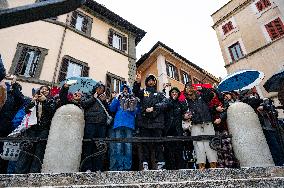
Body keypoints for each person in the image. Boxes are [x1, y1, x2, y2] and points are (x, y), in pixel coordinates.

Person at [15, 85, 56, 173]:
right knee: (26, 150)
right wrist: (33, 101)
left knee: (39, 151)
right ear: (39, 91)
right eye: (42, 89)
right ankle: (20, 172)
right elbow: (26, 110)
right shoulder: (34, 100)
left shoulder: (50, 101)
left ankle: (34, 173)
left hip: (44, 129)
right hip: (31, 128)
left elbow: (52, 111)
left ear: (49, 93)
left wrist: (45, 101)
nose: (44, 91)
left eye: (46, 90)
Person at [132, 72, 168, 170]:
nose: (151, 82)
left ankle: (160, 163)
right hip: (144, 122)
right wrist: (137, 82)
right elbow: (135, 92)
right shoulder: (143, 92)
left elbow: (165, 103)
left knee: (158, 144)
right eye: (149, 80)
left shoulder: (160, 93)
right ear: (146, 82)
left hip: (157, 123)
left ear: (155, 82)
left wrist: (154, 108)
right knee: (145, 144)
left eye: (152, 80)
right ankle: (145, 163)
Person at [183, 82, 218, 170]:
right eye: (187, 88)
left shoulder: (202, 96)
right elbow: (182, 113)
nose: (189, 89)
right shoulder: (185, 101)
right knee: (198, 145)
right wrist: (185, 116)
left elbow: (211, 95)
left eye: (190, 87)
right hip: (195, 124)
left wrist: (202, 89)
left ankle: (213, 164)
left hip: (207, 123)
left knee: (210, 143)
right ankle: (201, 165)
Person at [109, 84, 138, 171]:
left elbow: (136, 111)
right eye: (123, 89)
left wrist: (132, 104)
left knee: (128, 146)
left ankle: (127, 167)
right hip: (118, 124)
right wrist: (116, 98)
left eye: (126, 89)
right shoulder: (118, 98)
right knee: (118, 146)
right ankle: (119, 167)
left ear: (128, 90)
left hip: (129, 125)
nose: (125, 90)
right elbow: (111, 109)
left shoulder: (132, 99)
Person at [80, 82, 108, 172]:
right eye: (99, 88)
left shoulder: (103, 98)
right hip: (90, 123)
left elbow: (108, 111)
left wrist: (104, 101)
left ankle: (98, 168)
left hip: (101, 125)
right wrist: (93, 98)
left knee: (100, 146)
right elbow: (84, 104)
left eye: (102, 89)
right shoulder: (88, 95)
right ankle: (87, 167)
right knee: (88, 145)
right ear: (95, 88)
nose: (101, 90)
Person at [0, 77, 24, 173]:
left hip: (6, 127)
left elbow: (19, 98)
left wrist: (14, 84)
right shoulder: (4, 94)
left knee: (3, 152)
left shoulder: (18, 98)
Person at [209, 90, 238, 168]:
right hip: (214, 128)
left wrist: (220, 118)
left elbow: (226, 111)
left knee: (227, 145)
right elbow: (208, 113)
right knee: (217, 147)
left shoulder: (222, 100)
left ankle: (230, 164)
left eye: (213, 93)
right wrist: (215, 110)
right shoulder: (208, 103)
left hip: (224, 126)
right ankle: (221, 165)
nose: (212, 94)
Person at [164, 87, 189, 170]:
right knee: (168, 150)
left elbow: (184, 113)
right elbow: (164, 108)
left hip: (178, 130)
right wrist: (171, 101)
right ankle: (170, 169)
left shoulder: (180, 103)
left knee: (178, 150)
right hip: (168, 130)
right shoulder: (167, 102)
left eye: (176, 92)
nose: (174, 93)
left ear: (178, 94)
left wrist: (185, 116)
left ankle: (180, 168)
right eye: (172, 92)